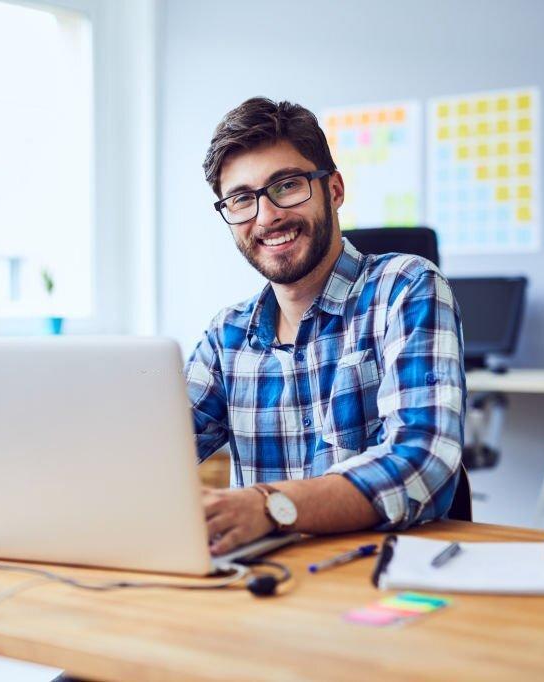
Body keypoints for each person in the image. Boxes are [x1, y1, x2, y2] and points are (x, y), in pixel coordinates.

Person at [187, 97, 466, 556]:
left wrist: (268, 506)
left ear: (333, 189)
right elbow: (150, 458)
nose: (267, 215)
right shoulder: (228, 336)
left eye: (287, 185)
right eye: (241, 199)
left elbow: (423, 462)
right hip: (265, 584)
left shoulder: (406, 288)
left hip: (379, 577)